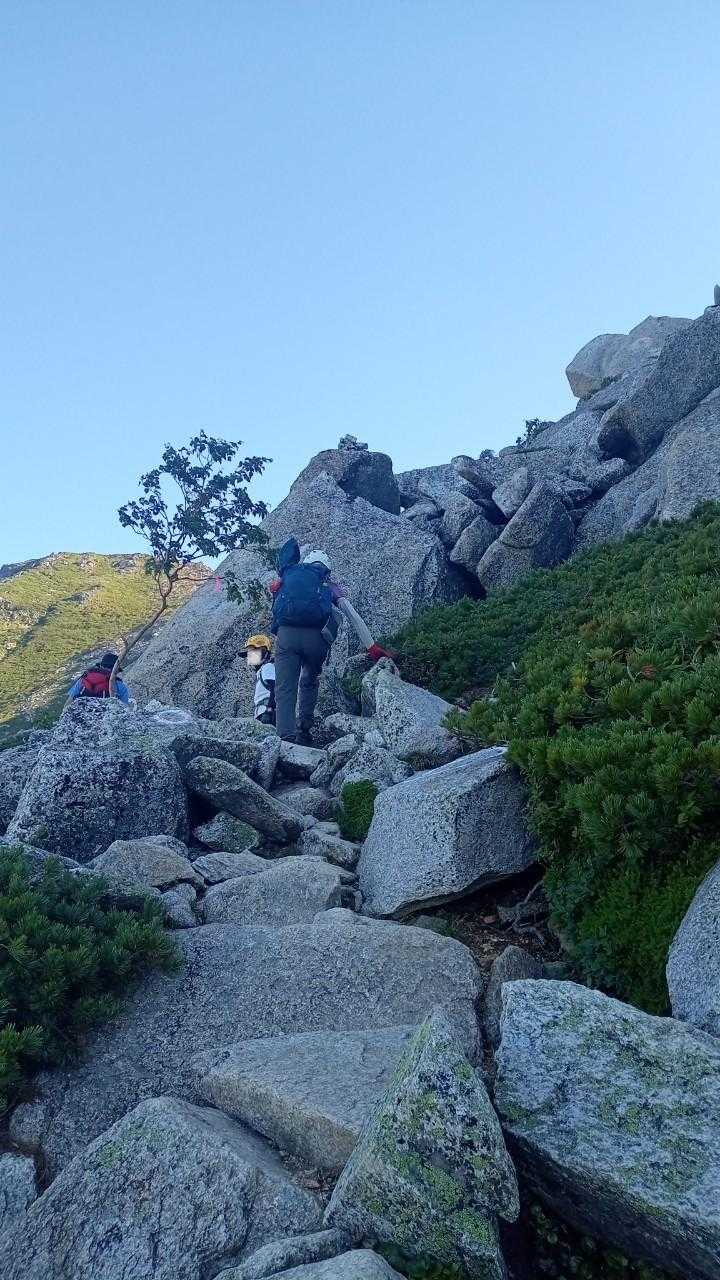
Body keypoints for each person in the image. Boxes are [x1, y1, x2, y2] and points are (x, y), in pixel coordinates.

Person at [270, 538, 391, 744]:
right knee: (309, 680)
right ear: (326, 569)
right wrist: (372, 646)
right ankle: (304, 729)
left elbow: (277, 605)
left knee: (285, 687)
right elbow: (351, 614)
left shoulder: (290, 575)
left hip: (287, 636)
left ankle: (286, 737)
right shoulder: (328, 584)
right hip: (316, 640)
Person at [242, 633, 276, 725]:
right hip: (261, 713)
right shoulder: (261, 671)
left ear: (264, 653)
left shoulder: (267, 667)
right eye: (249, 654)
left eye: (253, 653)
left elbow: (275, 689)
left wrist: (269, 710)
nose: (250, 656)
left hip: (268, 713)